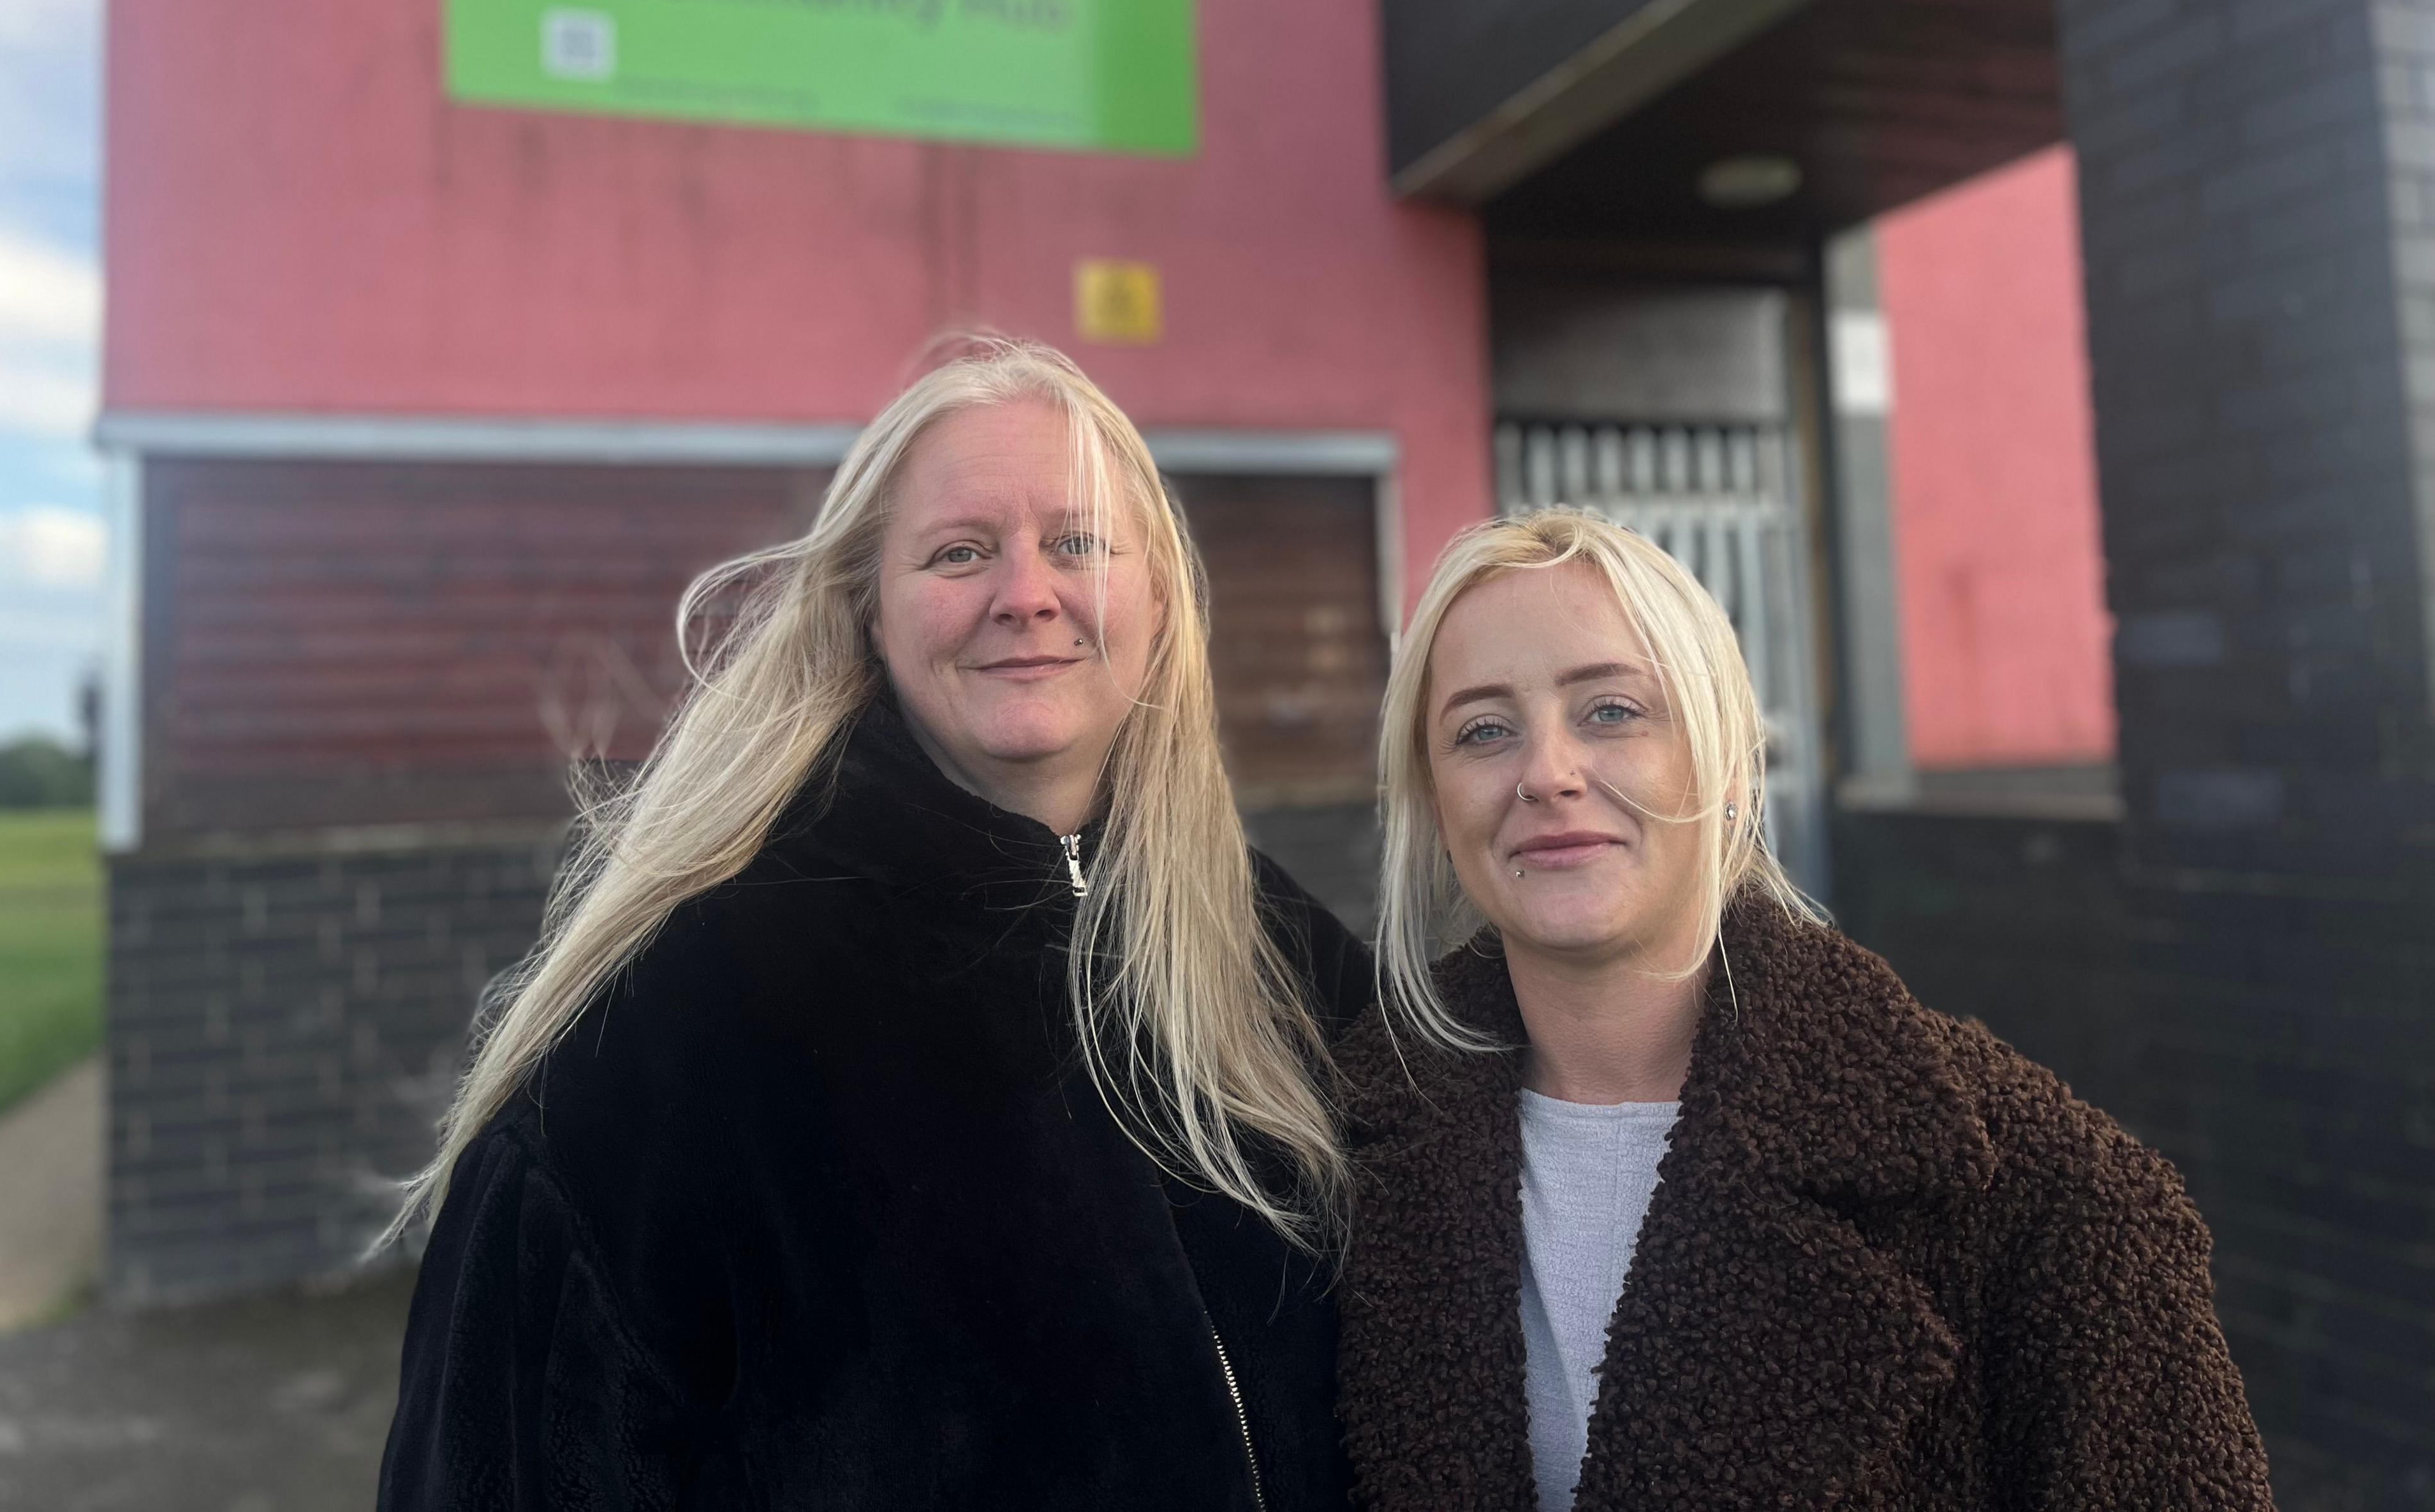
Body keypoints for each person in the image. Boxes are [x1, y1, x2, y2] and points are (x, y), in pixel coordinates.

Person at [378, 338, 1371, 1511]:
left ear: (1156, 595)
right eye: (960, 553)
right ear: (869, 614)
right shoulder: (670, 1026)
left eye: (1077, 543)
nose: (1027, 593)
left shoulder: (1290, 958)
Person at [1331, 507, 2273, 1512]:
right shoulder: (1328, 1164)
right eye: (1483, 730)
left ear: (1730, 765)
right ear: (1434, 806)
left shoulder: (2047, 1194)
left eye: (1611, 711)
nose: (1548, 773)